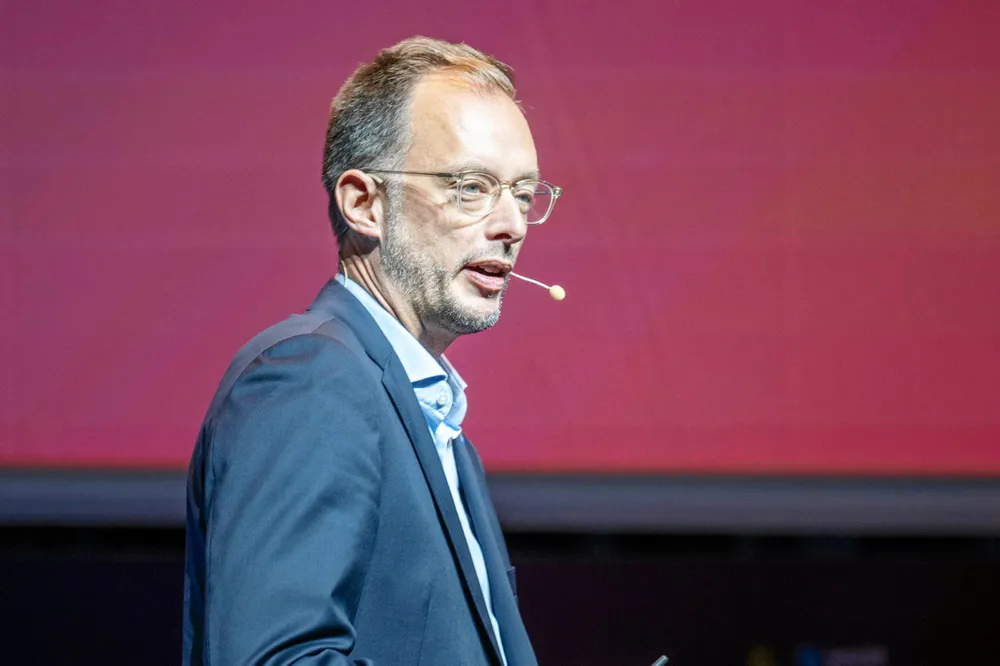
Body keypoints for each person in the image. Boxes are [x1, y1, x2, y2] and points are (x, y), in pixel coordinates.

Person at [182, 36, 562, 665]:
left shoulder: (435, 423)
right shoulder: (309, 381)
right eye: (472, 187)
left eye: (523, 194)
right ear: (364, 203)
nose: (513, 225)